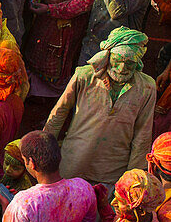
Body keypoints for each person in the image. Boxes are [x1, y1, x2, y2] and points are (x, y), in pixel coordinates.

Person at [45, 27, 155, 186]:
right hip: (73, 163)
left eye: (130, 63)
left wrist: (132, 180)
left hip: (112, 172)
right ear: (108, 55)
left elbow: (143, 134)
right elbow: (59, 113)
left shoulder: (147, 87)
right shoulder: (84, 76)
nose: (122, 68)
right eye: (118, 60)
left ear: (138, 61)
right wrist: (45, 150)